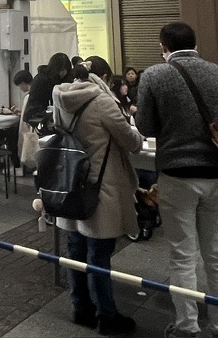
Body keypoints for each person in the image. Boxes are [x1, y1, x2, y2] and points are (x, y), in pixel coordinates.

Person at [135, 22, 218, 338]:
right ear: (195, 44)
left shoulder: (154, 76)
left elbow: (145, 127)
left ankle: (187, 326)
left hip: (175, 174)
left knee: (182, 256)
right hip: (215, 175)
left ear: (163, 47)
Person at [54, 64, 141, 334]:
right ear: (103, 77)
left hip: (71, 184)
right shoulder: (102, 102)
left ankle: (81, 308)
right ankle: (107, 316)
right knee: (99, 254)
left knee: (75, 250)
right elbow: (132, 142)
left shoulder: (60, 97)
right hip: (100, 188)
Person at [24, 53, 74, 135]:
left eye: (66, 70)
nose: (63, 73)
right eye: (61, 70)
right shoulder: (41, 80)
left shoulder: (67, 79)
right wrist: (47, 117)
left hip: (61, 121)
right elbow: (34, 104)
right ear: (55, 68)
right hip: (43, 120)